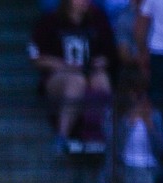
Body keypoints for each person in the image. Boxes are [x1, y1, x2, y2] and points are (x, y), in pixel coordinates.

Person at [29, 0, 117, 153]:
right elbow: (37, 57)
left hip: (90, 72)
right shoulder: (50, 21)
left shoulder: (98, 19)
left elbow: (109, 53)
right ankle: (62, 136)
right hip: (59, 77)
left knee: (101, 79)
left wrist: (102, 60)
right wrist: (65, 65)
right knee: (76, 81)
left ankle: (103, 134)